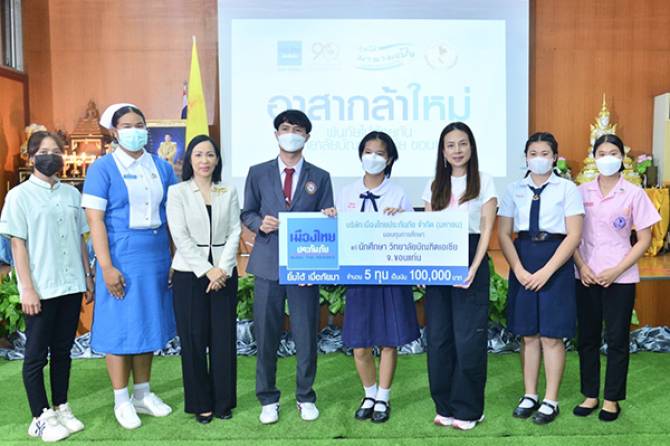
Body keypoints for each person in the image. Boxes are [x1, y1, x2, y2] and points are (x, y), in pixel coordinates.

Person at [82, 103, 177, 430]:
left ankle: (142, 393)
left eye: (140, 125)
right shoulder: (103, 168)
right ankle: (121, 399)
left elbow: (172, 216)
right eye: (127, 126)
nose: (135, 131)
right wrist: (106, 266)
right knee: (121, 326)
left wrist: (174, 258)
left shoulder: (162, 167)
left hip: (156, 255)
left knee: (147, 323)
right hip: (120, 255)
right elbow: (95, 220)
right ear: (114, 131)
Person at [241, 109, 334, 424]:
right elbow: (247, 212)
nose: (290, 134)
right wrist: (260, 224)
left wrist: (330, 216)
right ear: (276, 134)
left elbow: (327, 218)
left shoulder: (320, 176)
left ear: (307, 136)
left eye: (297, 129)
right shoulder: (258, 173)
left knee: (306, 335)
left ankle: (305, 396)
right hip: (268, 264)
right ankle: (268, 398)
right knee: (266, 335)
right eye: (285, 128)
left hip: (305, 266)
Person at [0, 131, 94, 442]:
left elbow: (80, 238)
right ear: (31, 157)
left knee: (63, 351)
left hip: (71, 284)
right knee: (36, 354)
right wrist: (26, 288)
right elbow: (18, 245)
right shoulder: (19, 196)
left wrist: (87, 276)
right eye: (44, 151)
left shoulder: (71, 194)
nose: (51, 156)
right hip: (40, 287)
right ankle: (40, 416)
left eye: (56, 151)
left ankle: (61, 406)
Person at [327, 131, 419, 424]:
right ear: (360, 155)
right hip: (359, 276)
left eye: (380, 153)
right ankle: (369, 393)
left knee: (389, 341)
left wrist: (401, 217)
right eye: (368, 151)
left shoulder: (398, 193)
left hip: (390, 277)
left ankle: (383, 397)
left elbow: (411, 236)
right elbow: (336, 234)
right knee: (360, 343)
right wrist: (330, 217)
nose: (373, 158)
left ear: (389, 159)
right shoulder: (346, 193)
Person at [498, 132, 584, 424]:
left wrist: (548, 270)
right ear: (525, 157)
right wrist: (519, 269)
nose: (538, 158)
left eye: (545, 153)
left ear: (555, 157)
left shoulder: (567, 189)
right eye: (533, 153)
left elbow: (574, 235)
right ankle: (530, 394)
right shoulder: (513, 189)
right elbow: (503, 233)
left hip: (555, 259)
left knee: (551, 335)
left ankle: (550, 399)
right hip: (523, 257)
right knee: (528, 335)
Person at [572, 134, 660, 422]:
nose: (607, 158)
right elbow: (571, 236)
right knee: (587, 337)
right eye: (601, 153)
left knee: (617, 338)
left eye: (613, 153)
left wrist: (617, 270)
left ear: (622, 157)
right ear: (593, 157)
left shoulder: (634, 193)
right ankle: (590, 394)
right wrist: (581, 265)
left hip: (620, 277)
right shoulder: (580, 192)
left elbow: (644, 239)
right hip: (585, 275)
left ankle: (611, 399)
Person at [421, 122, 497, 431]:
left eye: (462, 144)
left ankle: (469, 409)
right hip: (439, 262)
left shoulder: (485, 182)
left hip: (470, 258)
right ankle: (444, 406)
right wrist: (425, 268)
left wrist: (474, 267)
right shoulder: (432, 185)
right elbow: (427, 231)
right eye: (450, 145)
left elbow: (487, 229)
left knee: (468, 340)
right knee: (439, 339)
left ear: (471, 147)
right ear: (443, 151)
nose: (457, 150)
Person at [166, 135, 241, 424]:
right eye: (198, 154)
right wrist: (207, 270)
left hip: (224, 274)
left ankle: (223, 402)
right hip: (189, 275)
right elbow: (180, 236)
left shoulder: (227, 190)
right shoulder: (178, 192)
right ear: (189, 159)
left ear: (217, 159)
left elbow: (235, 231)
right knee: (194, 340)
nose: (204, 160)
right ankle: (201, 403)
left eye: (210, 154)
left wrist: (222, 269)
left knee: (223, 340)